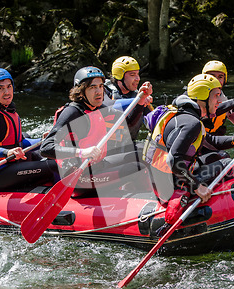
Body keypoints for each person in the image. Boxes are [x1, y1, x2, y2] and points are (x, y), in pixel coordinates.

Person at [143, 73, 234, 226]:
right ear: (202, 98)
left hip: (160, 182)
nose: (220, 100)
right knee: (226, 163)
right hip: (170, 186)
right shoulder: (192, 123)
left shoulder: (180, 114)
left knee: (219, 155)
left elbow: (212, 141)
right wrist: (197, 186)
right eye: (216, 96)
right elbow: (174, 159)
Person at [40, 66, 152, 197]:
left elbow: (129, 124)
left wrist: (141, 100)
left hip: (97, 167)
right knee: (136, 168)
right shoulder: (72, 113)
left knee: (143, 152)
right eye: (92, 87)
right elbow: (45, 148)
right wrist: (81, 152)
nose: (99, 91)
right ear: (81, 91)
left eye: (100, 86)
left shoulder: (98, 108)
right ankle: (145, 201)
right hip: (80, 179)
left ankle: (136, 193)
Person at [0, 68, 57, 191]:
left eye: (9, 87)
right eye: (0, 88)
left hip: (11, 166)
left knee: (55, 156)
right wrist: (7, 153)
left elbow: (21, 142)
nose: (6, 92)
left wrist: (44, 140)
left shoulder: (8, 110)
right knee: (55, 166)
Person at [104, 56, 153, 141]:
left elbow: (153, 121)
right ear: (120, 76)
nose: (138, 79)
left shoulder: (137, 95)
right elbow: (107, 106)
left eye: (138, 74)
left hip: (129, 144)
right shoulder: (104, 91)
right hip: (107, 145)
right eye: (132, 75)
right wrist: (139, 100)